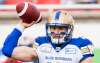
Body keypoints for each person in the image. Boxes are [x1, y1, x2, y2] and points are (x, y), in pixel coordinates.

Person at [2, 10, 94, 63]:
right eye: (53, 28)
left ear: (69, 29)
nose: (56, 32)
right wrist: (21, 26)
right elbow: (8, 50)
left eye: (61, 28)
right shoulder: (41, 43)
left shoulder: (81, 44)